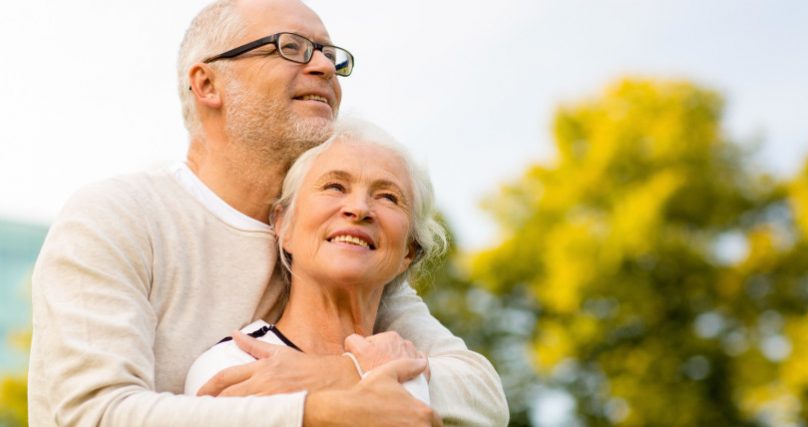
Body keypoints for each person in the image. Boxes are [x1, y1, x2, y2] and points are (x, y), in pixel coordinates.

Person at [27, 0, 509, 425]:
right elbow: (93, 415)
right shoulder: (118, 217)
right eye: (291, 47)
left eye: (329, 54)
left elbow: (481, 394)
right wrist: (319, 410)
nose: (323, 66)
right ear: (208, 82)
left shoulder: (334, 248)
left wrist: (339, 373)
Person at [184, 120, 441, 407]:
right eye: (335, 186)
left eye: (388, 197)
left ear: (409, 250)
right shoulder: (236, 364)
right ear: (284, 224)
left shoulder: (417, 368)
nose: (358, 209)